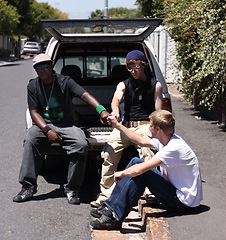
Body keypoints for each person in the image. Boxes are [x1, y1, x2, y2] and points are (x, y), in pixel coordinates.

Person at [13, 53, 110, 205]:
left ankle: (72, 189)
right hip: (45, 124)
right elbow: (34, 112)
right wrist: (47, 130)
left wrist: (101, 109)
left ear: (52, 66)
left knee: (81, 145)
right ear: (35, 70)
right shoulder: (33, 85)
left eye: (46, 66)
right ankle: (27, 187)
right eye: (39, 68)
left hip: (67, 124)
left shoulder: (65, 81)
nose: (42, 70)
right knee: (30, 140)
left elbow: (84, 95)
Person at [90, 110, 203, 230]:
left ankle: (114, 216)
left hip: (182, 203)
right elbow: (141, 141)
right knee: (135, 161)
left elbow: (140, 170)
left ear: (158, 129)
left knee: (143, 171)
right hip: (177, 194)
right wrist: (117, 125)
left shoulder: (173, 148)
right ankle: (111, 207)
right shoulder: (168, 139)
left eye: (150, 125)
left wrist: (122, 173)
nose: (148, 128)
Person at [90, 50, 163, 207]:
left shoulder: (155, 85)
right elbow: (116, 98)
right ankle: (105, 195)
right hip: (126, 125)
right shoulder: (124, 84)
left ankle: (150, 192)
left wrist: (155, 131)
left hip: (145, 125)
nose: (133, 70)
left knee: (147, 153)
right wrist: (115, 111)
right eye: (129, 67)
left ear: (143, 65)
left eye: (136, 66)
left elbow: (158, 112)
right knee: (108, 153)